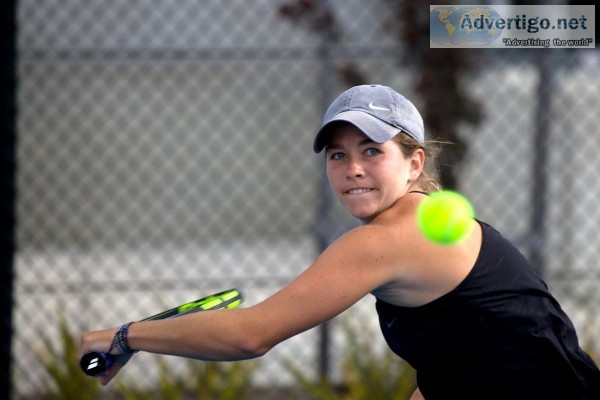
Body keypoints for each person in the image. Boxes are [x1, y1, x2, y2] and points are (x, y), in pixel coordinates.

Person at [79, 84, 600, 399]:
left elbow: (249, 335)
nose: (352, 169)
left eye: (372, 151)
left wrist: (126, 336)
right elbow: (466, 364)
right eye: (337, 155)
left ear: (414, 162)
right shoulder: (423, 225)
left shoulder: (388, 240)